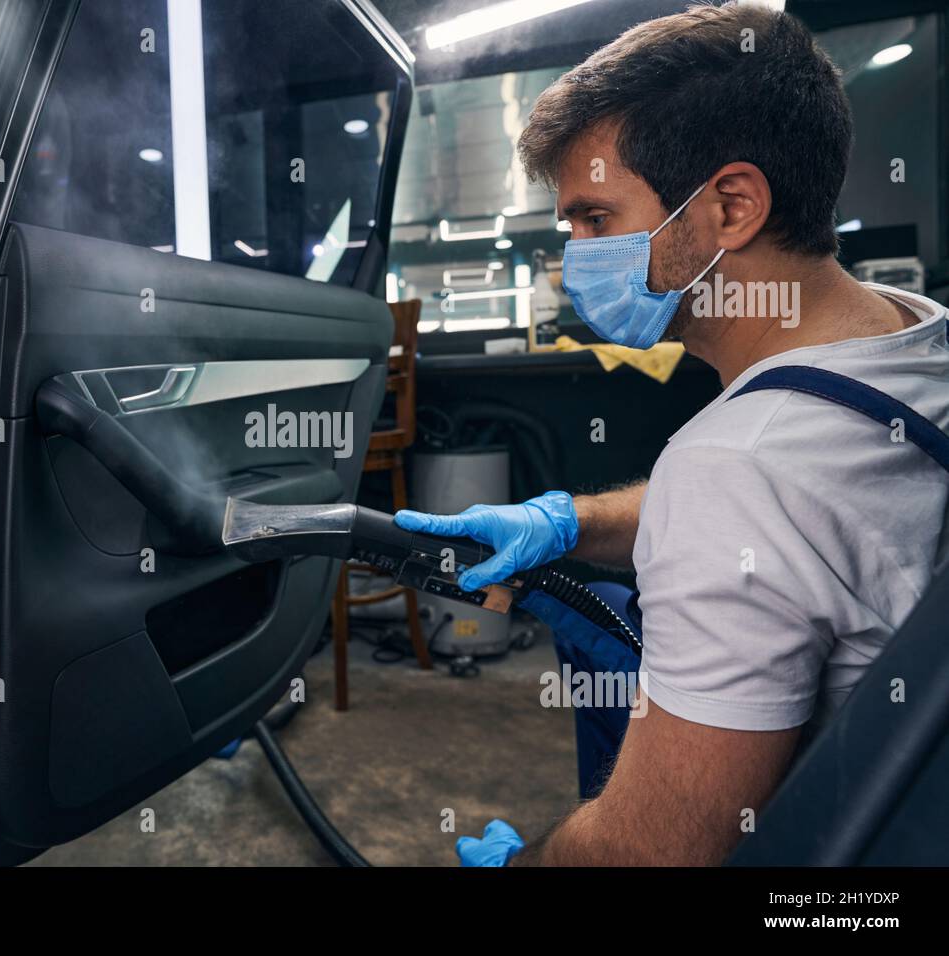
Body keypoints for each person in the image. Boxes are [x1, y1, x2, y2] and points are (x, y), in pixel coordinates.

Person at [399, 2, 949, 865]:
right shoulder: (918, 337)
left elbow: (650, 854)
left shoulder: (735, 466)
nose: (574, 255)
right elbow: (805, 515)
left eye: (593, 220)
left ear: (731, 207)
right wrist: (572, 522)